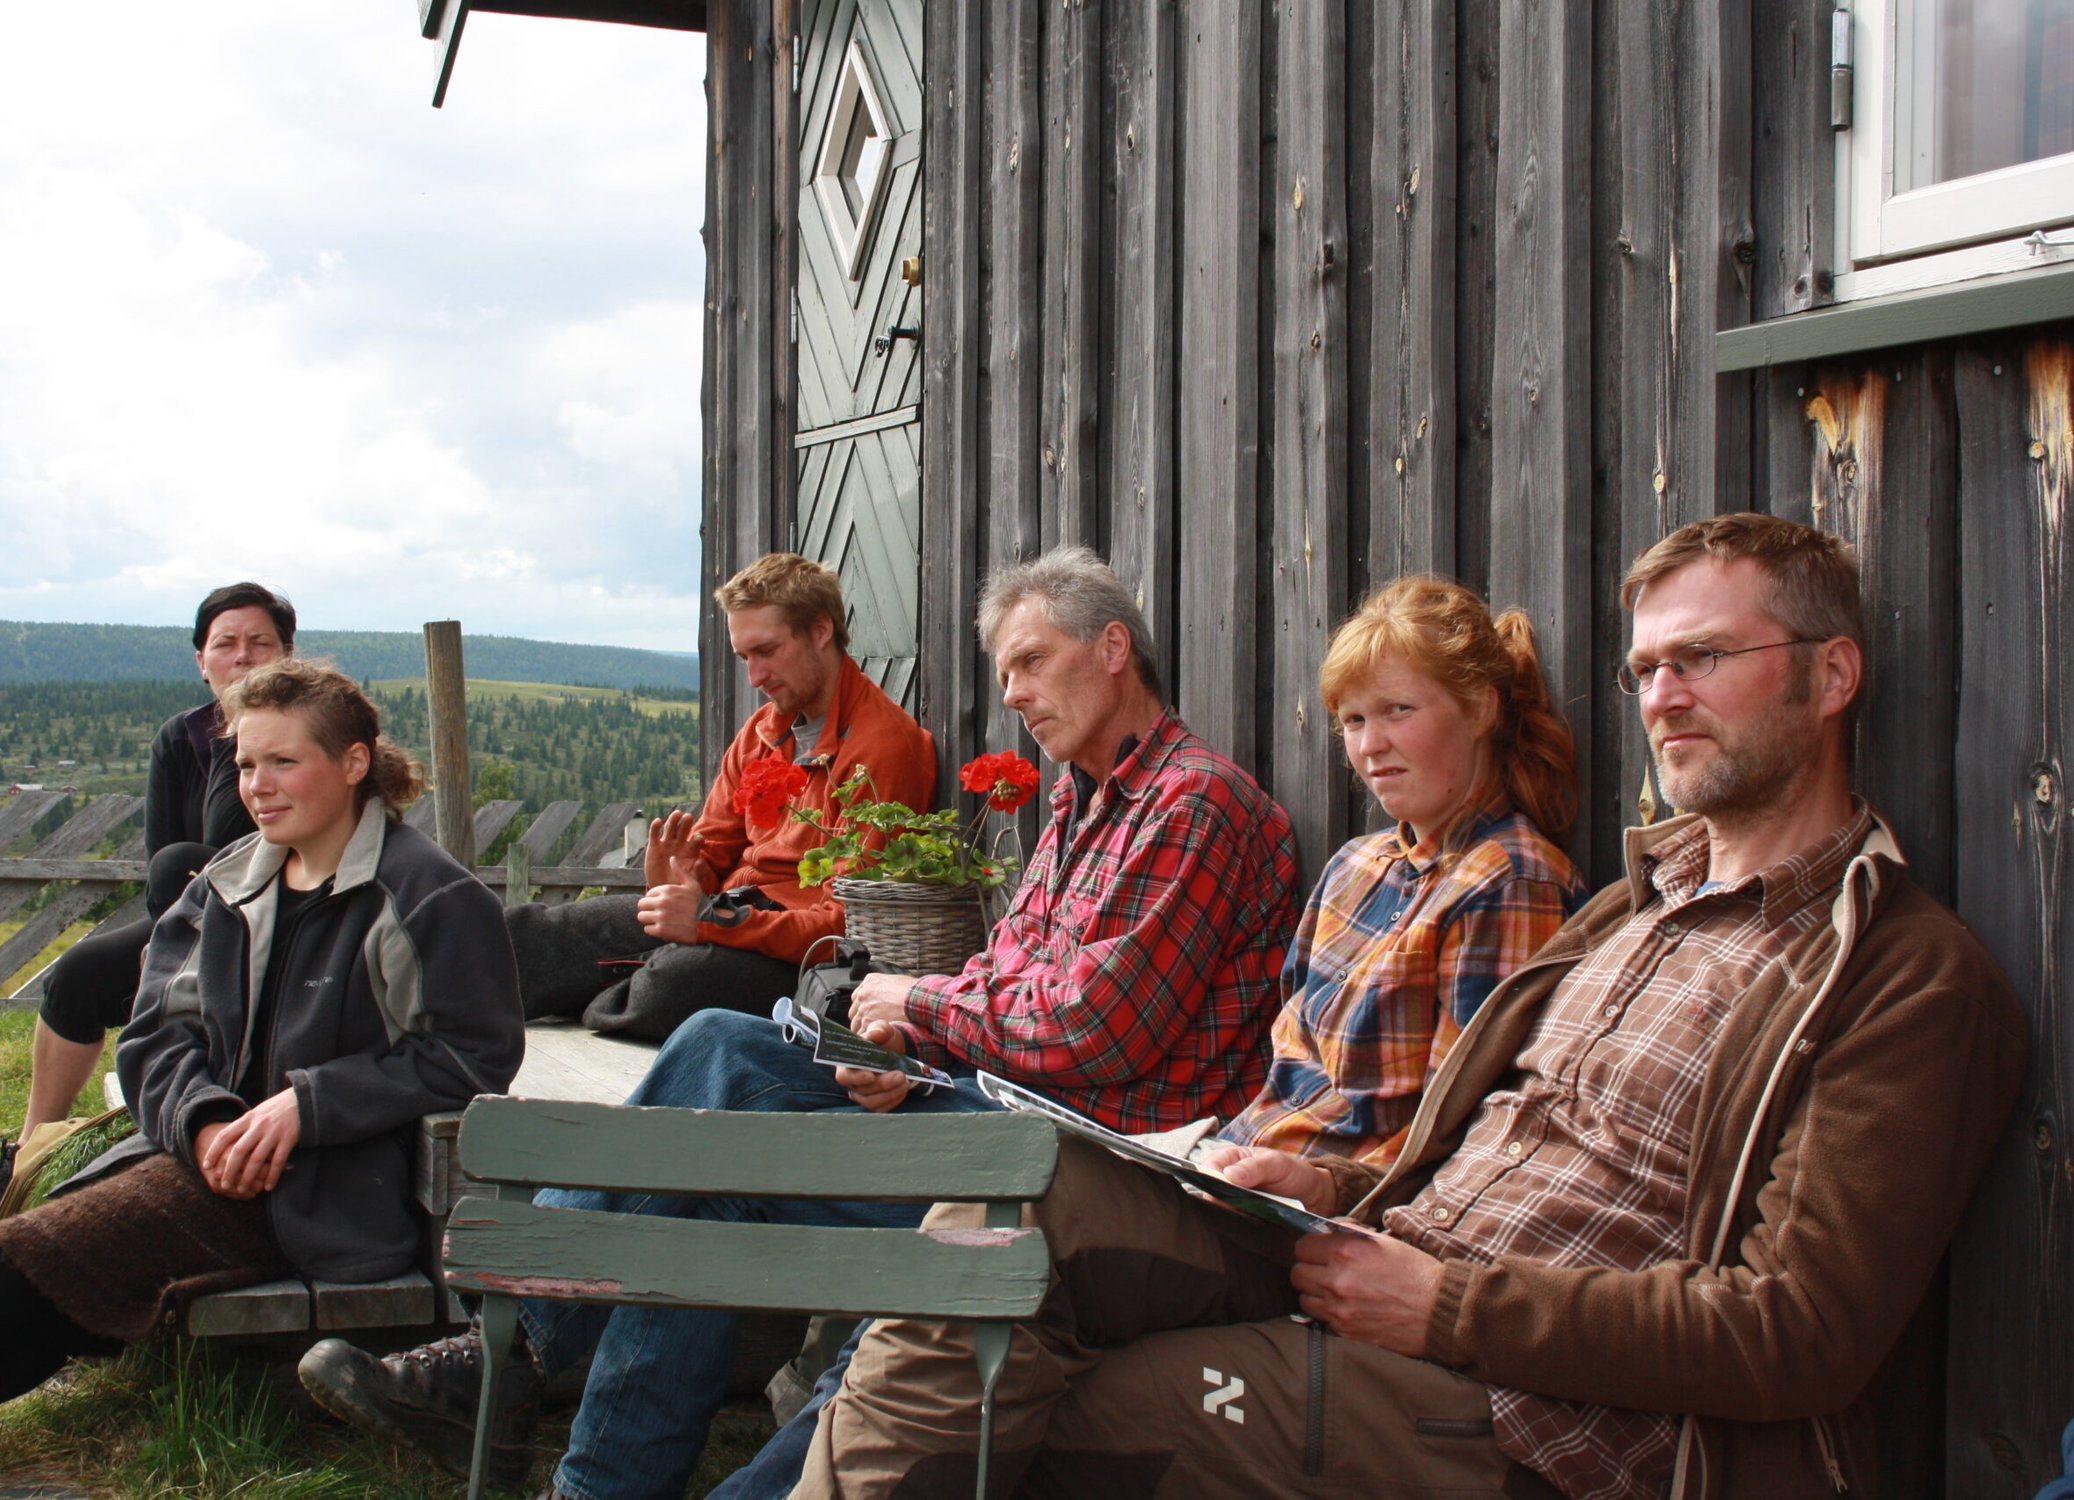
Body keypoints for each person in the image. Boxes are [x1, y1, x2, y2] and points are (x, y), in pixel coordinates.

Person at [795, 514, 2029, 1500]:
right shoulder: (1625, 914)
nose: (1662, 696)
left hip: (1533, 1419)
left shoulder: (1898, 979)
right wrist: (1327, 1189)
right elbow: (1434, 1123)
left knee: (1061, 1409)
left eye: (1704, 658)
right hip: (1362, 1257)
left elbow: (1800, 1332)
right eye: (1646, 666)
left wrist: (1447, 1305)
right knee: (1018, 1190)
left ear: (1830, 677)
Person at [298, 543, 1305, 1498]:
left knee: (723, 1069)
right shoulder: (1084, 806)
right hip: (1006, 1114)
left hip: (1105, 1166)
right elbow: (1004, 972)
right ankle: (587, 1470)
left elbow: (1094, 1032)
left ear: (1114, 649)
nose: (1011, 694)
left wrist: (912, 1004)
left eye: (1030, 662)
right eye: (1005, 672)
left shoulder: (1192, 805)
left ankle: (513, 1362)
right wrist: (907, 1046)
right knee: (715, 1151)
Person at [715, 572, 1592, 1498]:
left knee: (971, 1214)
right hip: (1216, 1171)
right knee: (760, 1083)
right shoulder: (1359, 867)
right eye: (1353, 723)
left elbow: (1465, 1145)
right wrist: (919, 1042)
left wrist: (1319, 1181)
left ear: (1483, 706)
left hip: (1314, 1223)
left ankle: (569, 1334)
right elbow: (1272, 1072)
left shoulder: (1505, 883)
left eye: (1397, 714)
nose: (1369, 748)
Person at [0, 660, 524, 1488]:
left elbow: (473, 1053)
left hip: (323, 1192)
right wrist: (201, 1118)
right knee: (33, 1331)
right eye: (245, 764)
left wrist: (308, 1107)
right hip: (206, 1160)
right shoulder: (231, 881)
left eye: (283, 762)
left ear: (354, 763)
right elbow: (156, 1036)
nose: (257, 786)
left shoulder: (425, 896)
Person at [0, 582, 296, 1222]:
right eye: (226, 644)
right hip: (189, 911)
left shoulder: (306, 734)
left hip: (288, 918)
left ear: (288, 654)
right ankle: (30, 1154)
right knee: (80, 975)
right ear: (201, 660)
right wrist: (168, 931)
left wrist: (242, 732)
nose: (242, 657)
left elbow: (246, 846)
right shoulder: (180, 738)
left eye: (260, 643)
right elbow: (166, 863)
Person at [507, 551, 934, 1039]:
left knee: (670, 986)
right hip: (729, 915)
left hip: (798, 954)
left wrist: (713, 921)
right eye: (744, 657)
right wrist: (680, 875)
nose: (755, 676)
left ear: (820, 631)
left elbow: (847, 924)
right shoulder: (763, 732)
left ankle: (599, 988)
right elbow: (712, 848)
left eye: (766, 651)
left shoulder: (884, 747)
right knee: (535, 934)